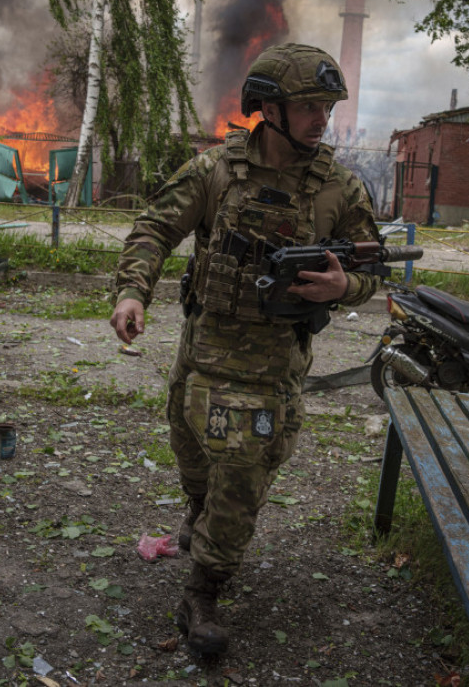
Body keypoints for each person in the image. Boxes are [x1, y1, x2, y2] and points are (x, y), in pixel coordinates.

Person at [109, 43, 381, 655]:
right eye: (309, 105)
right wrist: (133, 292)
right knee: (192, 454)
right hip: (202, 350)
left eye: (327, 107)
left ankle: (203, 592)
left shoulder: (339, 188)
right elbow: (156, 226)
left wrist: (346, 285)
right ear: (268, 108)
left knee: (242, 475)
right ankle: (196, 515)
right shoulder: (218, 170)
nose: (322, 118)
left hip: (272, 366)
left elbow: (374, 268)